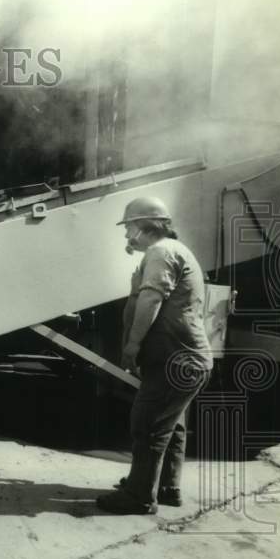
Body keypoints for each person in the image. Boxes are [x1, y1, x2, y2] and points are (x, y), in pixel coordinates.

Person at [96, 196, 213, 514]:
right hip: (184, 361)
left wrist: (132, 346)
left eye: (128, 227)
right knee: (169, 425)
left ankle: (138, 497)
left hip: (175, 360)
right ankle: (166, 487)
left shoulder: (162, 252)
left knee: (147, 425)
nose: (125, 235)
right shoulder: (172, 251)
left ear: (142, 226)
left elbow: (151, 301)